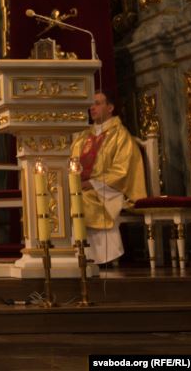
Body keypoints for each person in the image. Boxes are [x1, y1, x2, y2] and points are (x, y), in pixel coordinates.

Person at [69, 91, 147, 265]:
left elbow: (123, 169)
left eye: (97, 103)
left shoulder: (121, 135)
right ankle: (73, 253)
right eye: (91, 104)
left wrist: (93, 183)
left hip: (109, 189)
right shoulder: (83, 136)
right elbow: (71, 163)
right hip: (83, 186)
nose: (92, 107)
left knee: (81, 199)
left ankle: (97, 256)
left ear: (110, 107)